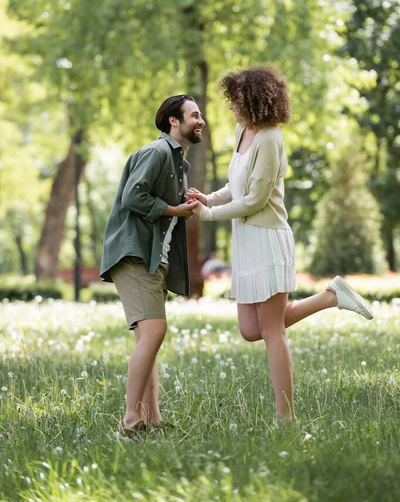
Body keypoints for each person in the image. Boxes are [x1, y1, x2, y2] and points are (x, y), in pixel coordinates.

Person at [186, 66, 373, 422]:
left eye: (236, 100)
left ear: (253, 100)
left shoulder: (270, 139)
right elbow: (236, 188)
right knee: (250, 329)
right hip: (246, 241)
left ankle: (285, 415)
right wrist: (207, 199)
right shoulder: (243, 132)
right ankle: (331, 297)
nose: (230, 108)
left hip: (267, 239)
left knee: (271, 329)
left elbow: (256, 200)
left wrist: (207, 216)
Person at [100, 94, 205, 437]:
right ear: (174, 121)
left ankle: (151, 418)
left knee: (149, 337)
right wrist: (175, 210)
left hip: (152, 256)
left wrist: (187, 201)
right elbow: (134, 195)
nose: (200, 120)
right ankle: (130, 420)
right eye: (194, 115)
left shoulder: (179, 164)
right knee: (155, 332)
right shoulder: (157, 152)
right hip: (135, 254)